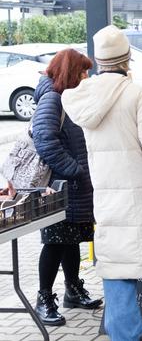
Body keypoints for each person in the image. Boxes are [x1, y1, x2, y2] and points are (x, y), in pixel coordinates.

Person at [61, 26, 142, 341]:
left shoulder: (84, 98)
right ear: (127, 58)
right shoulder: (134, 93)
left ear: (97, 60)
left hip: (109, 205)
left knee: (118, 288)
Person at [31, 49, 101, 326]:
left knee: (69, 239)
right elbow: (45, 140)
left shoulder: (69, 98)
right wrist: (75, 169)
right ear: (70, 74)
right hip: (58, 188)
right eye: (83, 71)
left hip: (74, 187)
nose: (87, 76)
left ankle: (73, 289)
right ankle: (44, 298)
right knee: (55, 243)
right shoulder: (52, 99)